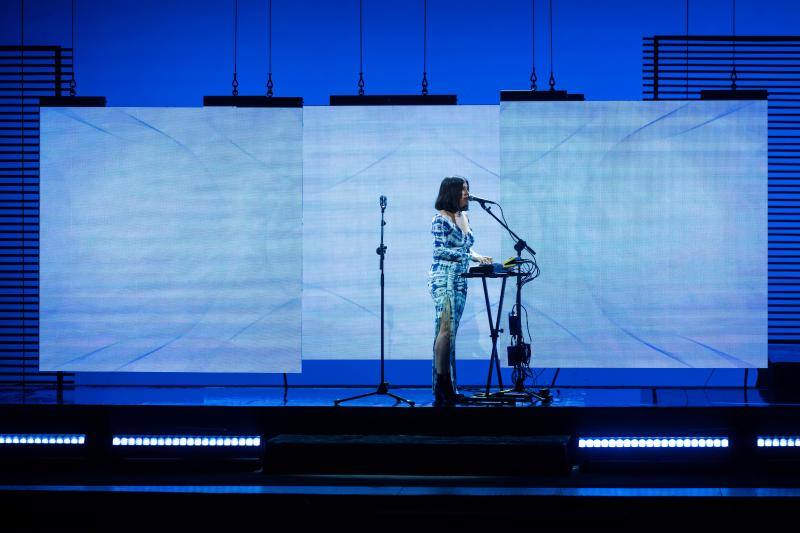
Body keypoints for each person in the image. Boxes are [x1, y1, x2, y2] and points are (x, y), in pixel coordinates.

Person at [428, 176, 492, 405]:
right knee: (445, 329)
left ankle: (448, 386)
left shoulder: (463, 216)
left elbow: (464, 245)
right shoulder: (440, 219)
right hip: (443, 278)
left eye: (467, 189)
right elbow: (440, 251)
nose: (467, 193)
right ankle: (442, 385)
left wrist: (477, 256)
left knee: (450, 332)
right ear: (451, 192)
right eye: (463, 189)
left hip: (459, 280)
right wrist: (467, 256)